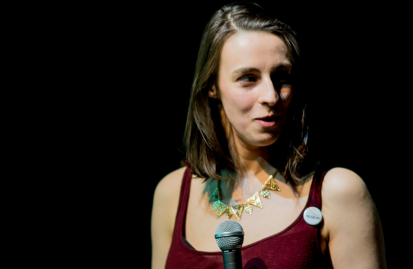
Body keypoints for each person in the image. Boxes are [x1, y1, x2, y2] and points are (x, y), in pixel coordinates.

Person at [151, 2, 386, 268]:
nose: (271, 96)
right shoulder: (172, 192)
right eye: (248, 78)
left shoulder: (338, 192)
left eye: (281, 77)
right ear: (211, 87)